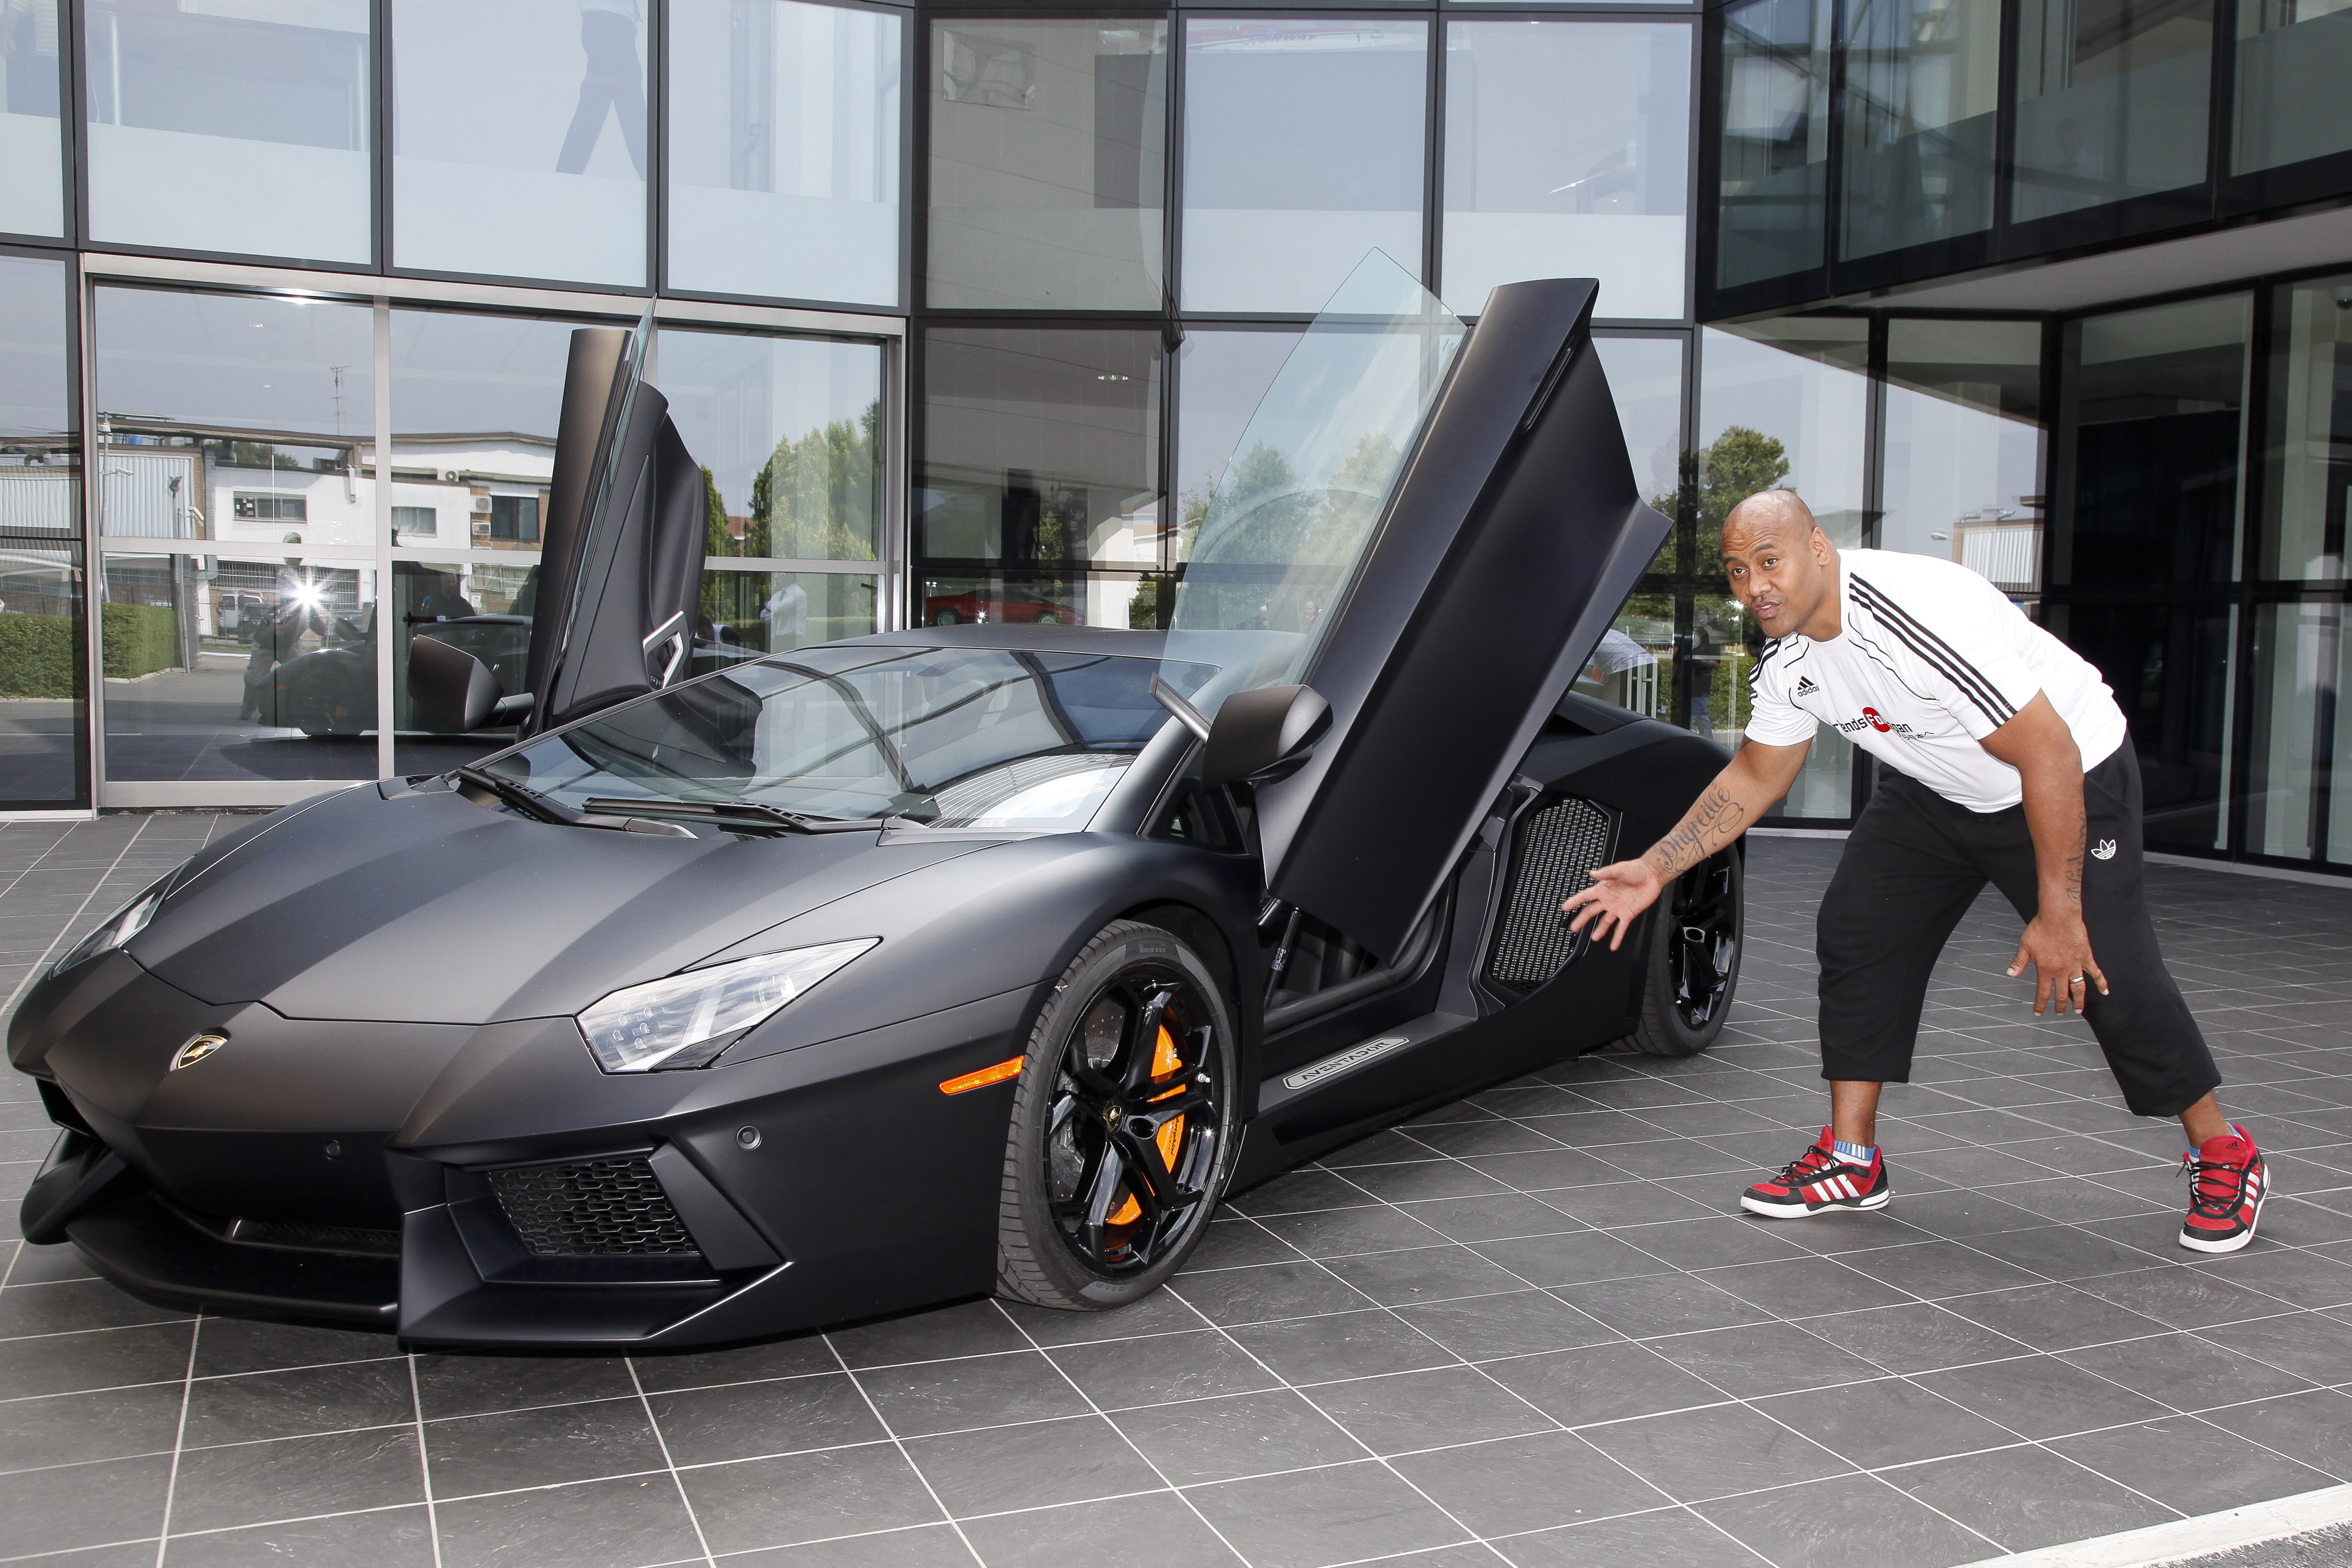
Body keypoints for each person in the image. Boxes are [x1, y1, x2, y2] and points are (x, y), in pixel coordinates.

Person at [1563, 490, 2268, 1255]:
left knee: (2109, 970)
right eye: (1738, 571)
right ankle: (1853, 1159)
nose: (1755, 585)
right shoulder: (1793, 658)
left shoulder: (1913, 616)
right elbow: (1756, 775)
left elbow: (2049, 753)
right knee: (1860, 925)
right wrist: (1657, 868)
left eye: (1771, 561)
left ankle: (2224, 1151)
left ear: (1819, 552)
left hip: (2068, 772)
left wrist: (2060, 909)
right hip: (1941, 786)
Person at [1687, 608, 1721, 742]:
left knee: (1700, 714)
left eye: (1703, 617)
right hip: (1687, 681)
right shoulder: (1690, 635)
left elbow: (1716, 662)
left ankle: (1708, 742)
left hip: (1701, 683)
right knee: (1686, 716)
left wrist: (1702, 661)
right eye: (1697, 617)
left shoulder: (1711, 638)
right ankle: (1688, 741)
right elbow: (1678, 658)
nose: (1700, 620)